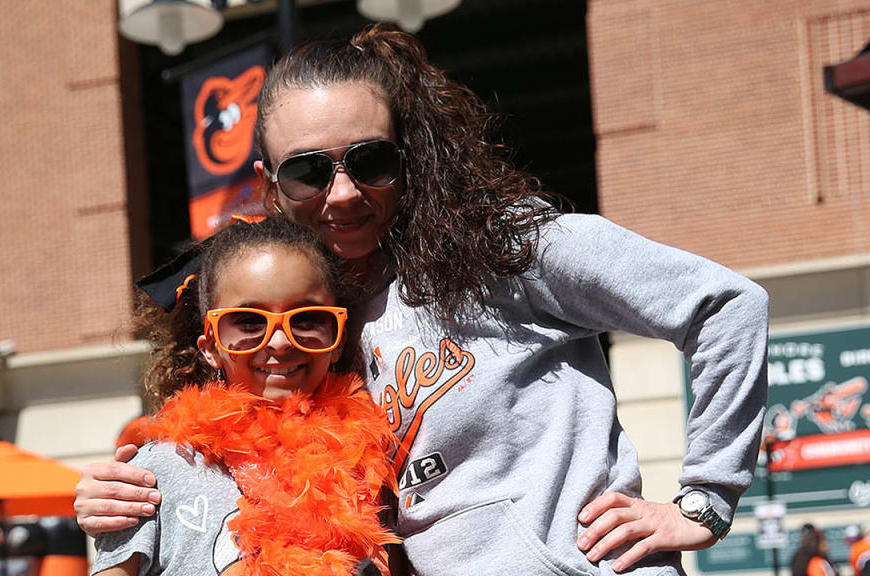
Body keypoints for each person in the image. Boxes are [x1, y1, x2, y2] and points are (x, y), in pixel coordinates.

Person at [75, 24, 769, 576]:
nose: (343, 193)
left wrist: (704, 502)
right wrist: (119, 497)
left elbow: (725, 306)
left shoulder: (506, 247)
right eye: (309, 171)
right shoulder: (310, 324)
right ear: (269, 184)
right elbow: (239, 469)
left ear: (409, 156)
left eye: (370, 160)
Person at [90, 217, 399, 576]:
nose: (280, 342)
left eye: (307, 319)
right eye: (249, 322)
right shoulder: (157, 472)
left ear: (338, 339)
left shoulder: (368, 464)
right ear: (210, 347)